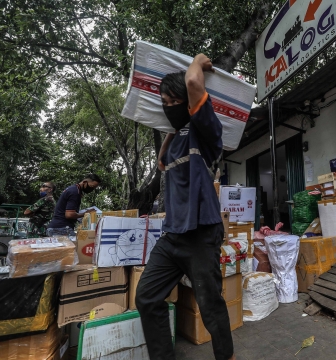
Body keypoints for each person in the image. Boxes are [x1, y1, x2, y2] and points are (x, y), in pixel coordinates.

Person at [135, 54, 234, 360]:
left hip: (201, 234)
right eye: (163, 101)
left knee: (209, 304)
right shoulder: (177, 138)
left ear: (185, 101)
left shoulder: (206, 131)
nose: (167, 105)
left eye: (171, 100)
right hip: (172, 236)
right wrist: (167, 134)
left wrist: (198, 62)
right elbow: (162, 163)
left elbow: (192, 82)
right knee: (147, 297)